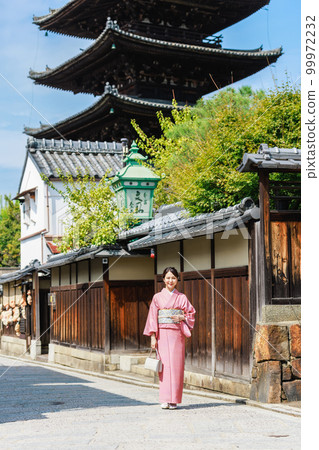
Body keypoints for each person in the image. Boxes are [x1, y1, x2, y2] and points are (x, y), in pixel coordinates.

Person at [143, 266, 196, 409]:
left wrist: (181, 316)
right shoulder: (157, 297)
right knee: (164, 367)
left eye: (173, 278)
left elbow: (191, 314)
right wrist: (153, 337)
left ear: (177, 279)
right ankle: (165, 399)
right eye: (168, 278)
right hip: (162, 334)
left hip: (177, 335)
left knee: (177, 367)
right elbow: (153, 318)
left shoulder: (182, 297)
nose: (170, 280)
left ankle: (175, 400)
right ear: (163, 279)